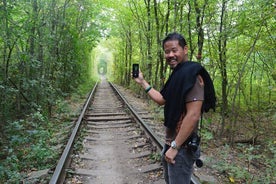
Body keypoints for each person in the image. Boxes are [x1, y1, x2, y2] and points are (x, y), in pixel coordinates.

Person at [133, 32, 216, 184]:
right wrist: (142, 82)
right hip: (171, 142)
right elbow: (162, 99)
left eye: (174, 50)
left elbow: (193, 115)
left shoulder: (192, 76)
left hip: (182, 146)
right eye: (167, 51)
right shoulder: (178, 75)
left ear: (185, 49)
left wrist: (175, 147)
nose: (170, 55)